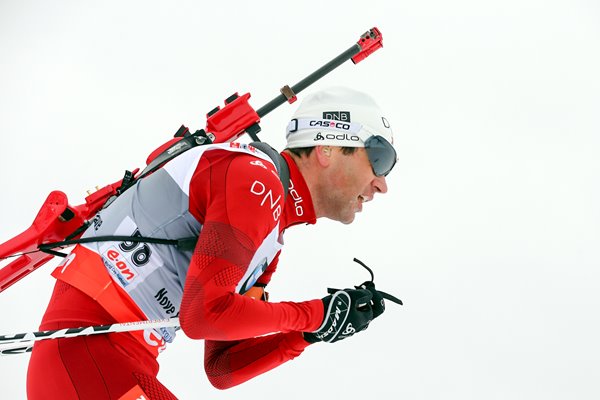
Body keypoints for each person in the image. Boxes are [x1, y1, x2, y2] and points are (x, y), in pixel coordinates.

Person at [26, 86, 397, 399]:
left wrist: (307, 333)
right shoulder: (256, 183)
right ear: (327, 148)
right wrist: (313, 313)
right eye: (380, 158)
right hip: (87, 357)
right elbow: (203, 316)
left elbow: (221, 367)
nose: (382, 183)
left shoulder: (270, 237)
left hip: (104, 364)